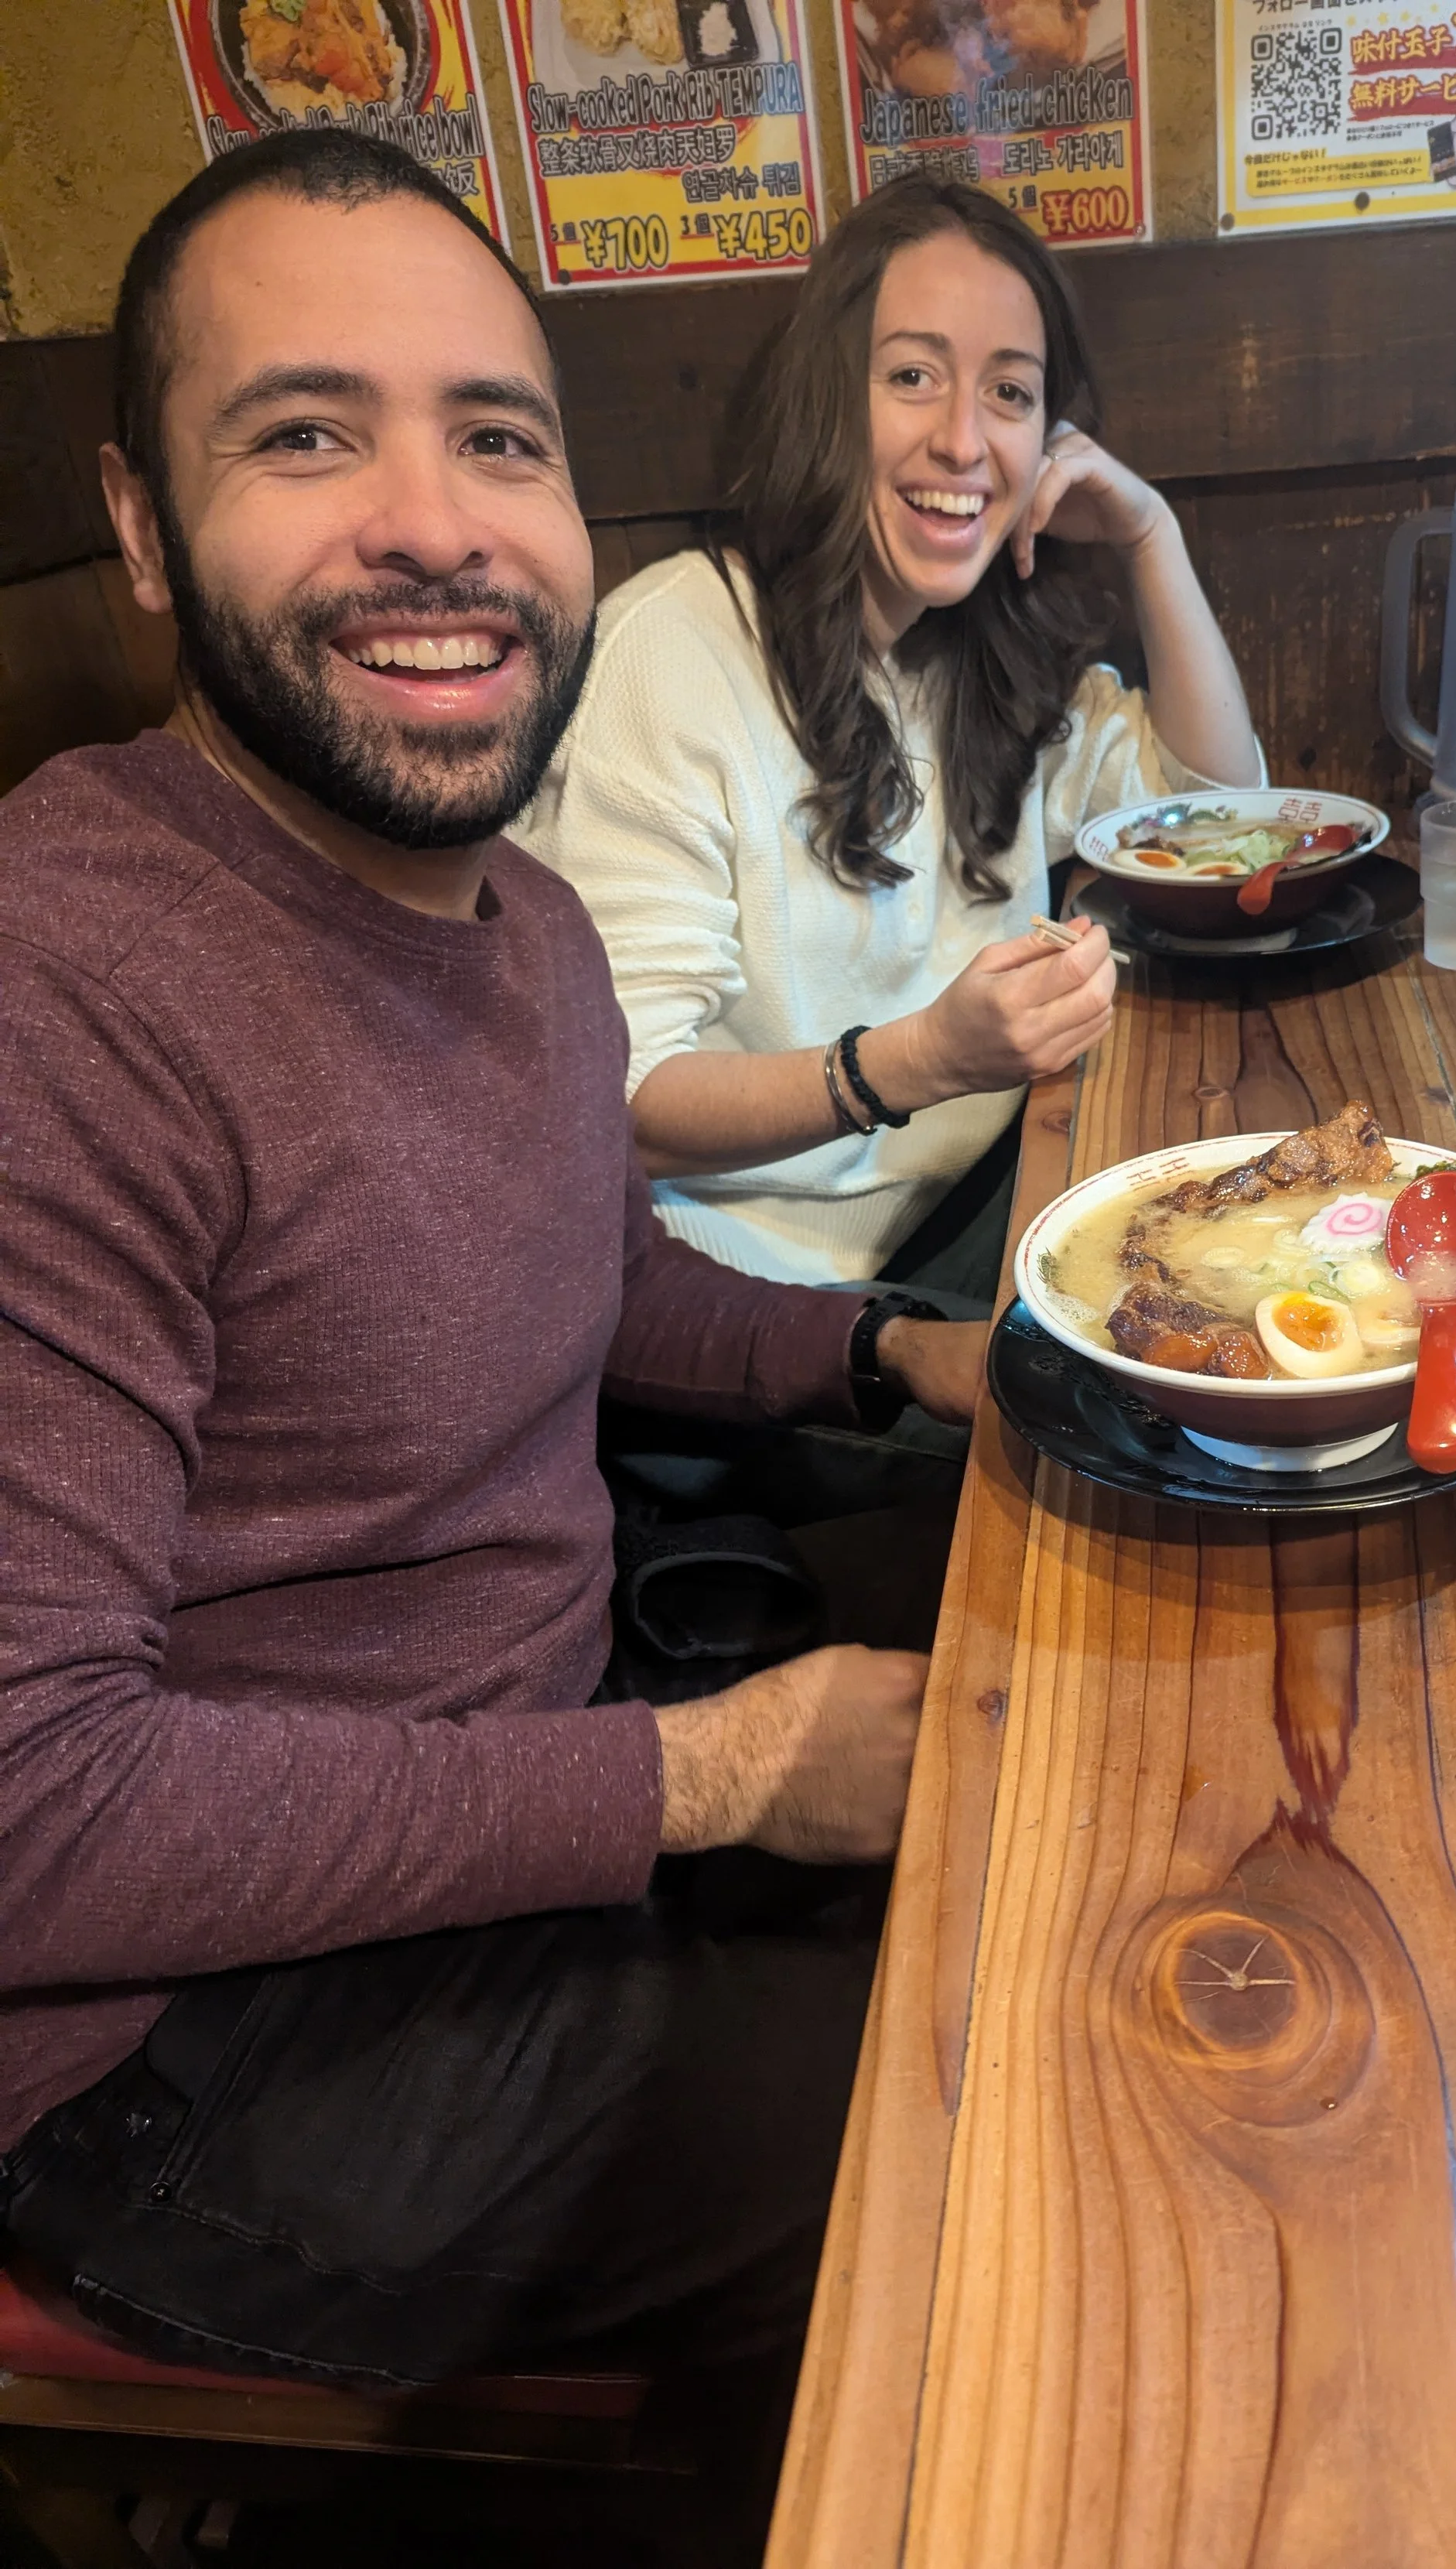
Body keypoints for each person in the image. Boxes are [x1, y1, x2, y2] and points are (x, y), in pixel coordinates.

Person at [0, 130, 980, 2557]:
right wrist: (713, 1782)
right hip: (181, 2059)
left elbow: (578, 1280)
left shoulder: (520, 916)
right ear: (143, 530)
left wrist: (896, 1361)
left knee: (1089, 1657)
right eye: (307, 435)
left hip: (532, 1767)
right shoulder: (64, 980)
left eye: (497, 436)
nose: (432, 522)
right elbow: (33, 1817)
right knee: (1003, 2110)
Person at [519, 175, 1260, 1303]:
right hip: (768, 1302)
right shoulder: (669, 655)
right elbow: (619, 1105)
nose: (964, 440)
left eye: (1009, 394)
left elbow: (1223, 816)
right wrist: (922, 1059)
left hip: (994, 1195)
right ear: (829, 401)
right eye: (913, 376)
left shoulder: (973, 648)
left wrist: (1151, 534)